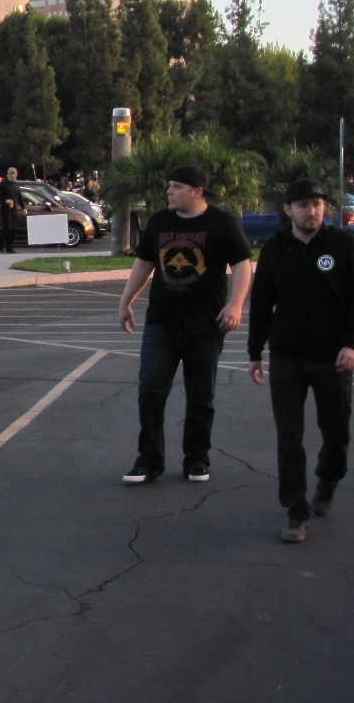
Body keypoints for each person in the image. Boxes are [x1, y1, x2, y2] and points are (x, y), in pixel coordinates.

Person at [118, 164, 253, 484]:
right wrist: (126, 301)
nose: (169, 191)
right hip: (161, 323)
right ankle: (149, 461)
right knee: (151, 389)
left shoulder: (222, 223)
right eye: (170, 185)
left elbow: (243, 266)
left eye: (177, 186)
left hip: (206, 326)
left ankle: (196, 460)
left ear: (197, 192)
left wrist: (235, 305)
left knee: (200, 396)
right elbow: (144, 263)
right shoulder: (160, 222)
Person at [247, 178, 354, 543]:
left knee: (336, 433)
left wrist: (351, 345)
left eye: (318, 204)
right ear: (288, 210)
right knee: (289, 436)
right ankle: (296, 512)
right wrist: (254, 353)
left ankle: (327, 481)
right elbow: (261, 303)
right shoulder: (276, 250)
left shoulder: (342, 245)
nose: (312, 211)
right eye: (304, 205)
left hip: (333, 358)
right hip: (287, 357)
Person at [0, 168, 22, 254]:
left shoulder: (16, 185)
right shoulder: (3, 184)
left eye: (16, 174)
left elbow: (19, 197)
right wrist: (6, 200)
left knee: (13, 229)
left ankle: (10, 248)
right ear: (9, 174)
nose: (15, 176)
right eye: (14, 174)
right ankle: (0, 243)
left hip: (14, 210)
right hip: (5, 210)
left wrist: (23, 207)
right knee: (8, 228)